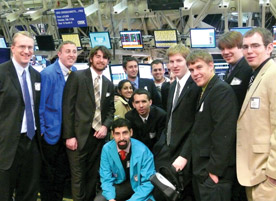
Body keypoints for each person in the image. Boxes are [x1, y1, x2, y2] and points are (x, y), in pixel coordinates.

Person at [62, 46, 115, 201]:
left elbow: (110, 110)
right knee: (78, 177)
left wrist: (105, 126)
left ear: (108, 61)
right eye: (97, 56)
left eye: (104, 57)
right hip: (78, 137)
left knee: (93, 175)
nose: (101, 60)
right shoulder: (77, 77)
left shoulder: (108, 84)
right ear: (91, 58)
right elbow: (68, 107)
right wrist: (69, 135)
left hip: (98, 138)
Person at [187, 49, 238, 201]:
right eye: (191, 70)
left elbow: (224, 134)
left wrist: (214, 172)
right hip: (203, 170)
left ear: (211, 65)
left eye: (199, 67)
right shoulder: (204, 90)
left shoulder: (220, 90)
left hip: (214, 173)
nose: (195, 73)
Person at [153, 44, 200, 201]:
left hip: (187, 152)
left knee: (187, 193)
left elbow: (196, 125)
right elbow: (170, 119)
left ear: (187, 61)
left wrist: (185, 154)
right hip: (169, 149)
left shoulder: (196, 87)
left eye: (179, 60)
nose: (174, 65)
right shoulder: (172, 87)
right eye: (171, 61)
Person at [0, 31, 41, 201]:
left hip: (32, 144)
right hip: (6, 145)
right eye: (22, 47)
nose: (27, 51)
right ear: (13, 48)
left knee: (29, 194)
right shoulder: (2, 73)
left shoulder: (36, 76)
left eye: (30, 47)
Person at [237, 27, 276, 201]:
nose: (249, 51)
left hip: (267, 175)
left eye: (255, 46)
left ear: (269, 47)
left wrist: (273, 172)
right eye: (245, 47)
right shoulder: (257, 75)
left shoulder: (273, 75)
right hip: (254, 172)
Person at [39, 41, 78, 201]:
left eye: (74, 52)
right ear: (59, 54)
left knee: (62, 173)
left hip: (68, 133)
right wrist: (41, 131)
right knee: (49, 175)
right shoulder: (47, 74)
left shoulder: (75, 72)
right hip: (50, 133)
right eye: (67, 51)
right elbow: (40, 105)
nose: (71, 55)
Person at [94, 118, 155, 201]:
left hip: (139, 185)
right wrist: (111, 198)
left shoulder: (143, 150)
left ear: (131, 132)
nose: (121, 138)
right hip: (120, 185)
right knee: (99, 200)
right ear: (112, 134)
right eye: (117, 134)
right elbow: (106, 178)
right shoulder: (107, 149)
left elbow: (148, 182)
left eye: (125, 133)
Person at [218, 31, 252, 111]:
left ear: (241, 48)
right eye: (222, 49)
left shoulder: (249, 68)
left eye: (230, 47)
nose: (225, 52)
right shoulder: (230, 69)